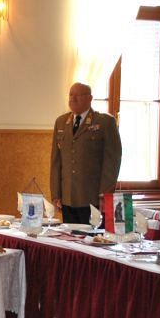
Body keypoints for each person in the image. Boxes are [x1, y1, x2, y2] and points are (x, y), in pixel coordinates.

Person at [50, 82, 121, 225]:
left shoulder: (104, 122)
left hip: (92, 197)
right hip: (68, 197)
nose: (73, 99)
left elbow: (112, 161)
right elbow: (56, 161)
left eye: (78, 95)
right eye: (71, 95)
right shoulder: (61, 122)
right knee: (70, 237)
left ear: (90, 98)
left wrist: (104, 193)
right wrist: (56, 194)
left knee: (92, 237)